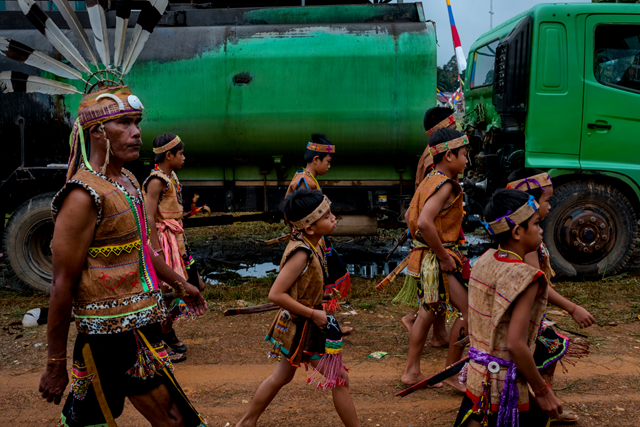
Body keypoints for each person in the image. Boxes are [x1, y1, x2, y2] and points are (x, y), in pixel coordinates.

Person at [40, 86, 208, 427]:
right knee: (173, 420)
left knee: (99, 420)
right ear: (98, 132)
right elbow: (62, 283)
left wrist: (180, 282)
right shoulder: (83, 195)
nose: (136, 132)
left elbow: (141, 249)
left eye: (137, 123)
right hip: (111, 339)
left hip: (141, 327)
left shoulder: (129, 181)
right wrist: (55, 362)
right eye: (125, 123)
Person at [237, 189, 360, 427]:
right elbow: (276, 294)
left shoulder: (314, 242)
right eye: (326, 216)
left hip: (297, 324)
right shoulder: (301, 253)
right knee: (340, 379)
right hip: (304, 327)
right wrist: (315, 313)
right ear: (310, 228)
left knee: (281, 376)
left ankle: (246, 422)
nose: (333, 218)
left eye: (330, 212)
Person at [454, 189, 562, 427]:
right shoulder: (525, 276)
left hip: (478, 376)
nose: (541, 230)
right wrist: (543, 392)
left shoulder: (485, 260)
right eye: (536, 224)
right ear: (517, 231)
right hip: (505, 388)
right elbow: (515, 344)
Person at [507, 168, 595, 424]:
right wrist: (572, 308)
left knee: (545, 354)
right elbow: (540, 283)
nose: (550, 204)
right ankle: (544, 403)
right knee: (548, 349)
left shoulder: (523, 236)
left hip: (529, 313)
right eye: (546, 200)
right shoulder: (528, 244)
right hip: (525, 317)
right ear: (530, 203)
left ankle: (543, 401)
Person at [400, 128, 471, 392]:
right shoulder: (446, 185)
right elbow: (424, 222)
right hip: (436, 261)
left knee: (428, 314)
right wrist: (442, 256)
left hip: (424, 257)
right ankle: (452, 372)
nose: (467, 160)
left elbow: (410, 215)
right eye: (464, 154)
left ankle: (411, 371)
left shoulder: (429, 179)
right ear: (449, 155)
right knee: (470, 311)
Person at [396, 106, 458, 347]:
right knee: (435, 288)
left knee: (437, 287)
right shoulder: (437, 157)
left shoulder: (432, 153)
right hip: (435, 227)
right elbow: (428, 209)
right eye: (452, 128)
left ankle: (440, 334)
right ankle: (414, 321)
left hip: (436, 223)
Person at [144, 133, 206, 363]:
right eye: (180, 153)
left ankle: (166, 328)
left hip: (177, 241)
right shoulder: (156, 181)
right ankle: (156, 340)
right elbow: (149, 217)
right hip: (164, 242)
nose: (184, 157)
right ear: (168, 155)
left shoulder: (171, 176)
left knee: (195, 284)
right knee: (165, 293)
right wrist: (158, 250)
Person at [285, 134, 352, 334]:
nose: (329, 166)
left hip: (315, 239)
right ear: (316, 160)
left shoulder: (307, 179)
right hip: (309, 241)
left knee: (320, 282)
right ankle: (322, 323)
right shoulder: (304, 182)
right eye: (328, 162)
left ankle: (326, 322)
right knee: (315, 284)